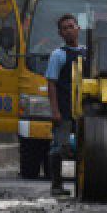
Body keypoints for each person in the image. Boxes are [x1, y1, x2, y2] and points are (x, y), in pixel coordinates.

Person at [45, 14, 85, 197]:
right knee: (59, 147)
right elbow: (51, 83)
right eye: (65, 28)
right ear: (60, 33)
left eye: (71, 26)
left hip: (84, 110)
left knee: (85, 147)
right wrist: (55, 111)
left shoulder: (87, 52)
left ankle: (82, 184)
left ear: (78, 28)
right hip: (64, 109)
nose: (69, 30)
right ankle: (56, 185)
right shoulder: (58, 55)